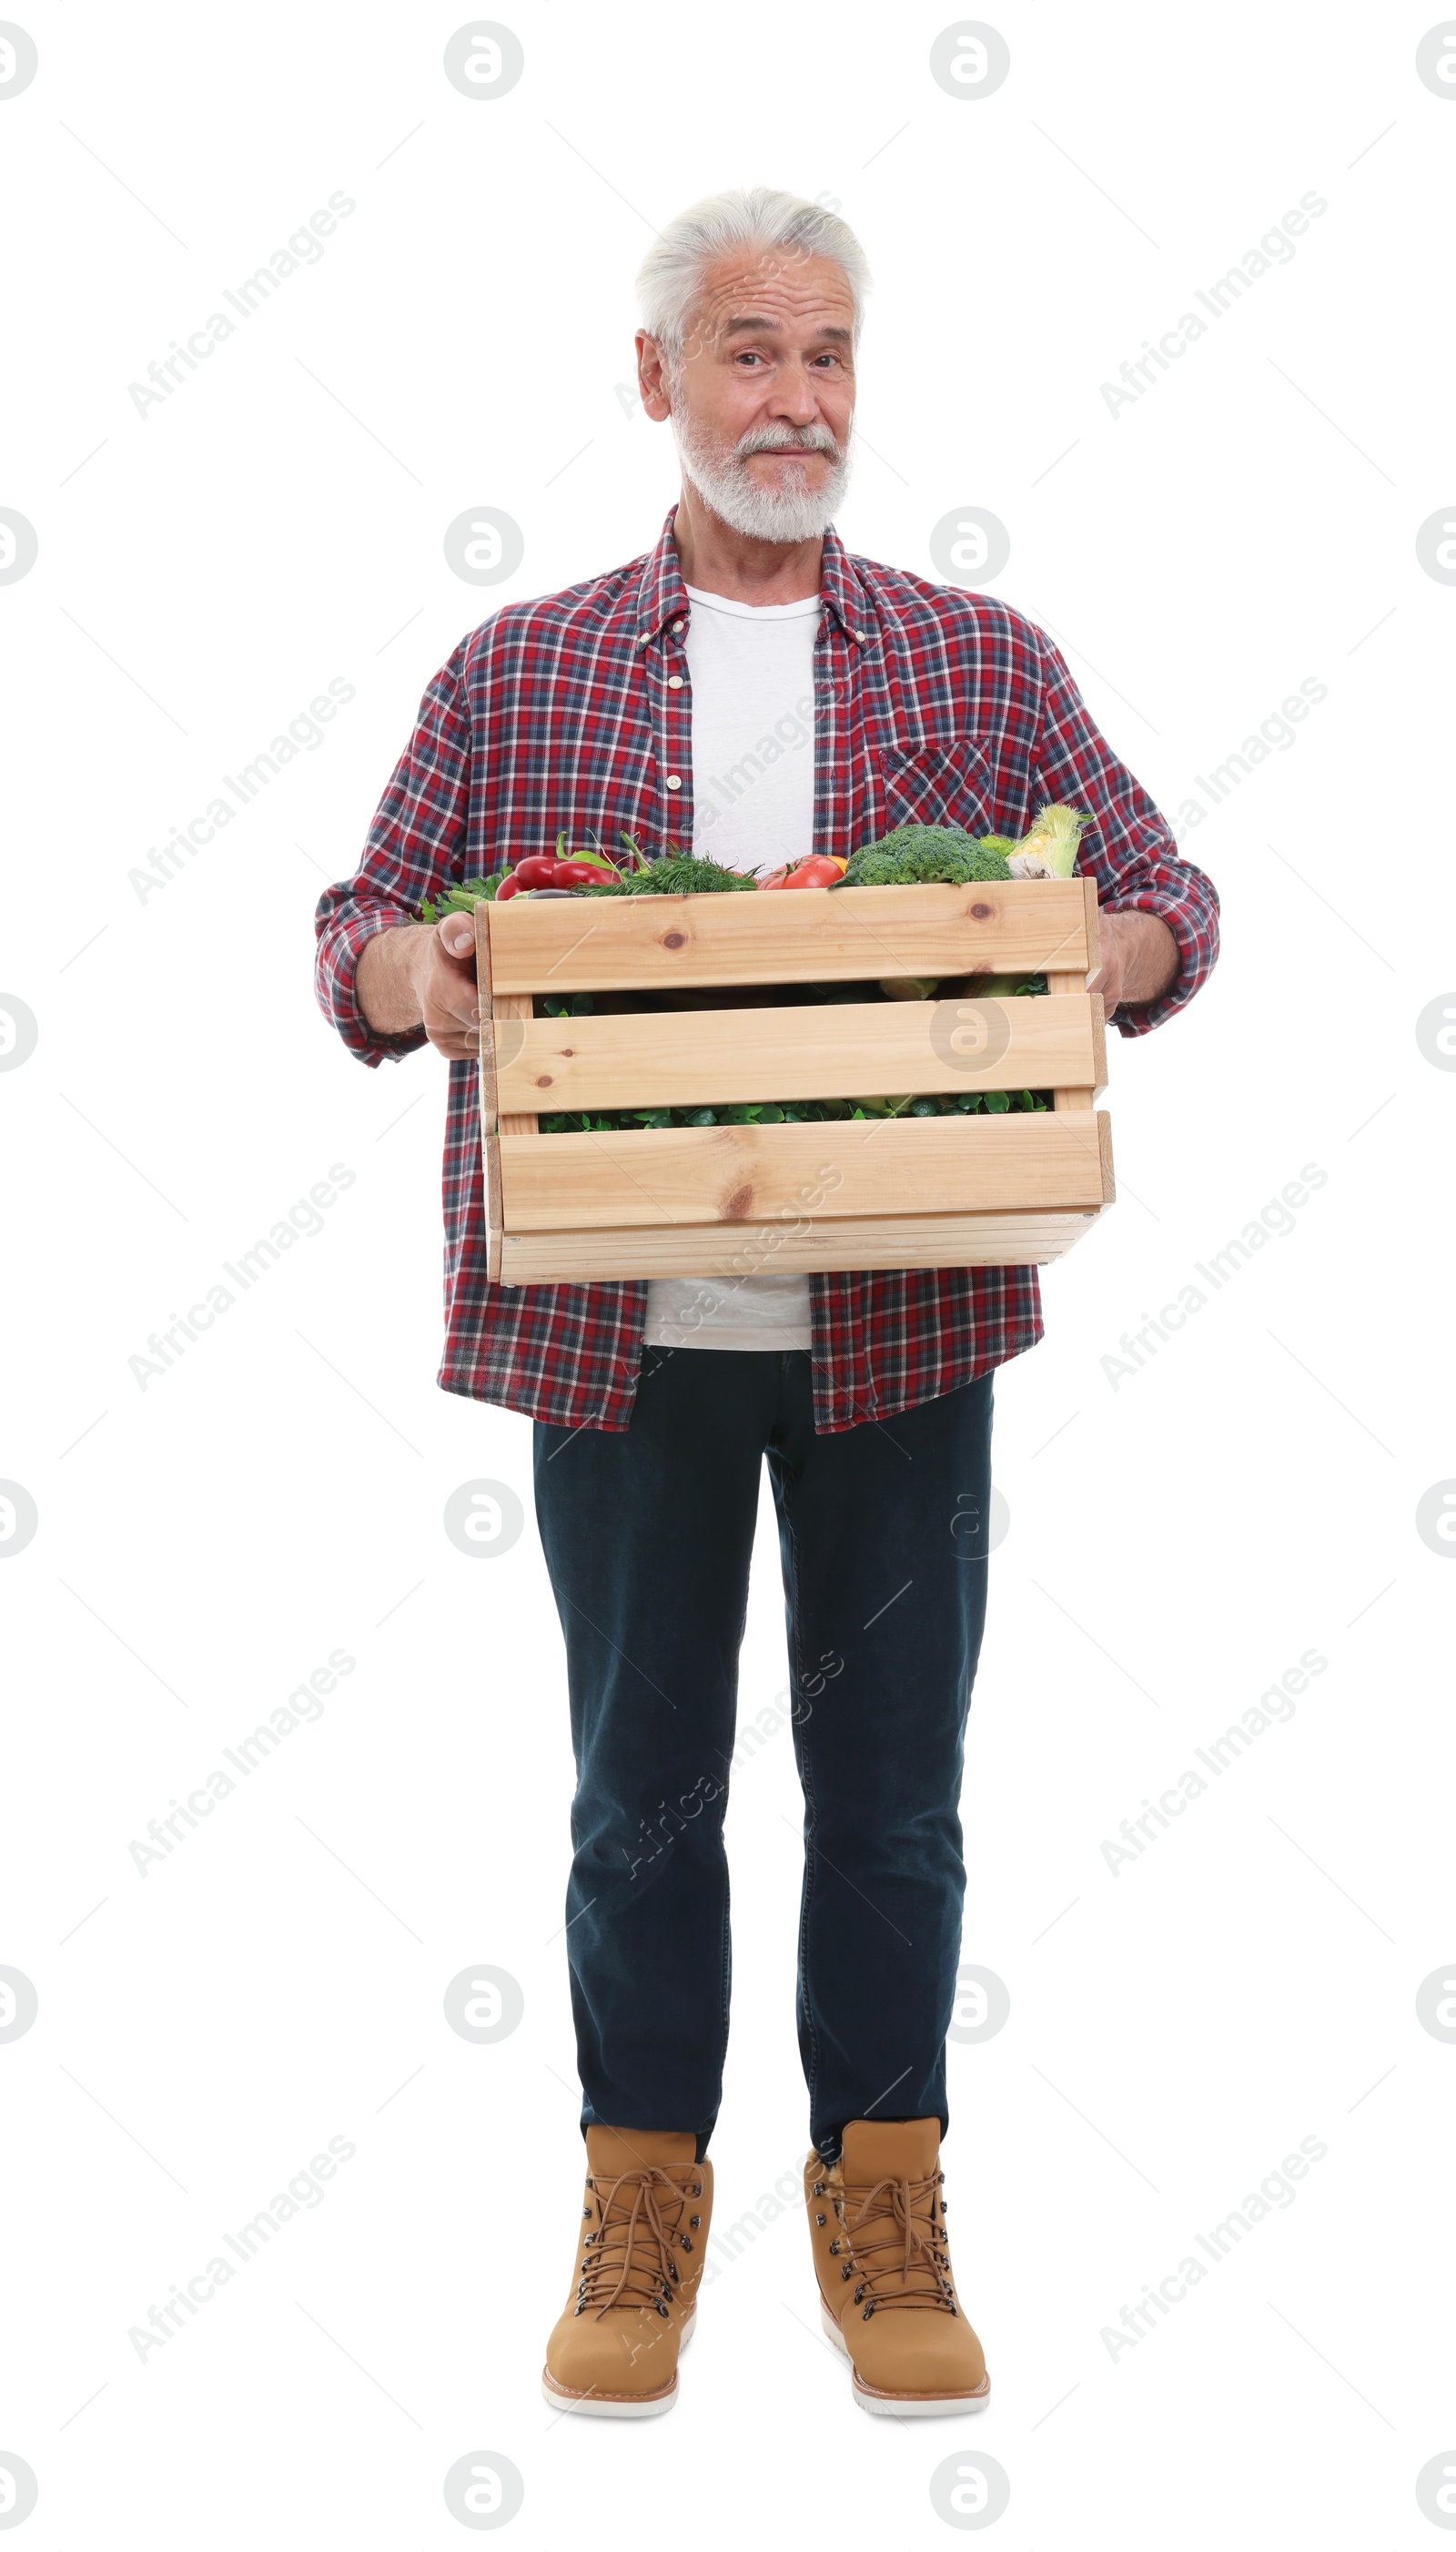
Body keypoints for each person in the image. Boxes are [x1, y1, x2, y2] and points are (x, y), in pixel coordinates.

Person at [314, 186, 1219, 2420]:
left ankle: (882, 2184)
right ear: (656, 382)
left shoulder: (973, 659)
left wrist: (1114, 948)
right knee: (638, 1793)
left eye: (822, 356)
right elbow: (351, 923)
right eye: (743, 352)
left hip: (901, 1320)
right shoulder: (514, 665)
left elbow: (1170, 885)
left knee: (893, 1794)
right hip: (611, 1338)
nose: (789, 399)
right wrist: (415, 971)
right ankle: (640, 2198)